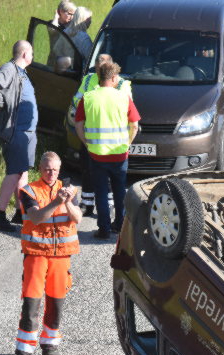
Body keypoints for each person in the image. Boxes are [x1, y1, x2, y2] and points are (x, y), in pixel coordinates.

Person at [12, 151, 82, 355]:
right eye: (47, 169)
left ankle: (49, 345)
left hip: (61, 254)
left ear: (59, 170)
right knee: (31, 302)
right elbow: (35, 217)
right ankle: (23, 351)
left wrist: (68, 202)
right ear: (40, 170)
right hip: (36, 253)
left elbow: (78, 218)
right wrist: (55, 203)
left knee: (56, 302)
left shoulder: (70, 190)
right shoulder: (28, 190)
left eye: (55, 170)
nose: (51, 173)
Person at [74, 61, 140, 239]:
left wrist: (86, 142)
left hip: (97, 154)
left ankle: (103, 229)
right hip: (119, 154)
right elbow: (134, 125)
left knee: (101, 192)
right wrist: (127, 143)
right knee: (120, 191)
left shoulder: (88, 97)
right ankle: (119, 225)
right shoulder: (123, 97)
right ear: (112, 77)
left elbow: (78, 123)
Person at [0, 40, 38, 232]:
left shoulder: (22, 73)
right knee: (14, 172)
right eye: (31, 53)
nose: (33, 56)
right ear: (24, 54)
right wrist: (4, 103)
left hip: (27, 132)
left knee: (22, 172)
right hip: (16, 130)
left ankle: (20, 212)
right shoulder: (10, 69)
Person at [68, 53, 132, 215]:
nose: (100, 67)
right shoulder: (89, 79)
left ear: (110, 67)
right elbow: (77, 100)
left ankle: (109, 210)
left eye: (103, 64)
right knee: (87, 169)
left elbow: (127, 106)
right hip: (91, 133)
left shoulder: (122, 83)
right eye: (98, 63)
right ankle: (87, 202)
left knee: (110, 177)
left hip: (112, 138)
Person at [47, 1, 76, 67]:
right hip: (54, 60)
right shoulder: (52, 23)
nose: (71, 17)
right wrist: (56, 17)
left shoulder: (71, 26)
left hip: (67, 61)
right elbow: (52, 30)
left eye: (73, 15)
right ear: (61, 12)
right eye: (69, 14)